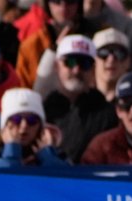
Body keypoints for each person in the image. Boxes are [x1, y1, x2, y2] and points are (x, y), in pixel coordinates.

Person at [41, 34, 117, 162]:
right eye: (69, 62)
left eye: (85, 63)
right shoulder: (42, 111)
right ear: (56, 66)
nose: (76, 70)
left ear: (93, 68)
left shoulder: (108, 114)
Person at [0, 86, 69, 167]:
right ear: (4, 125)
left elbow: (67, 183)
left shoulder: (57, 156)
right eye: (16, 119)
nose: (24, 126)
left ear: (41, 126)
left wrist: (48, 158)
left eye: (31, 120)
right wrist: (11, 153)